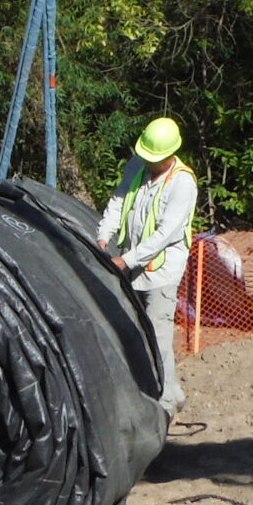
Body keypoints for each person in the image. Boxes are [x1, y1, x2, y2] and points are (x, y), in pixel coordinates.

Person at [97, 116, 198, 416]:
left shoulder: (182, 183)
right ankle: (171, 392)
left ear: (170, 154)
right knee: (135, 332)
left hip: (160, 271)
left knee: (158, 335)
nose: (149, 163)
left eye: (155, 159)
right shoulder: (137, 165)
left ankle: (165, 405)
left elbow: (164, 234)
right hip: (133, 268)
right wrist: (103, 236)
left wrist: (124, 260)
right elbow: (119, 200)